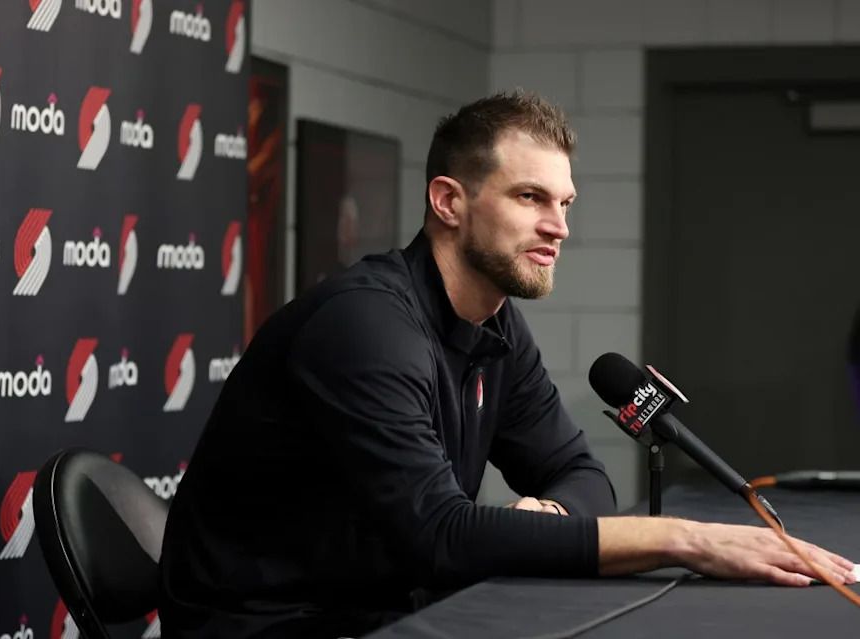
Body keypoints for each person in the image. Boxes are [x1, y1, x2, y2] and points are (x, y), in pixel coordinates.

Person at [158, 89, 856, 639]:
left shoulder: (495, 325)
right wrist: (682, 538)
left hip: (385, 609)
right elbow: (440, 534)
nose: (558, 224)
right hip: (275, 625)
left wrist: (551, 515)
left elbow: (580, 474)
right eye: (530, 197)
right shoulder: (362, 325)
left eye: (564, 202)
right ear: (447, 202)